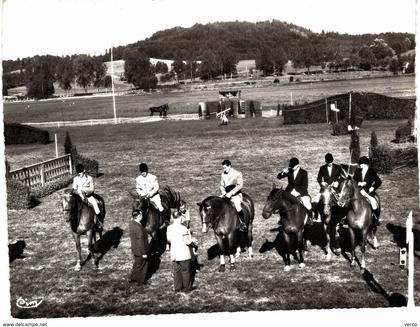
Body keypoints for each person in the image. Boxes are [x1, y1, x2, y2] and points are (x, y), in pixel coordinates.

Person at [166, 213, 198, 293]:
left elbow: (169, 239)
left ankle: (177, 287)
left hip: (174, 253)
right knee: (186, 270)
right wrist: (193, 240)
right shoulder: (183, 228)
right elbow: (187, 241)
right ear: (180, 218)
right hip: (183, 253)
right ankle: (187, 288)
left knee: (176, 271)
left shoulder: (169, 228)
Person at [277, 157, 313, 224]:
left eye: (293, 166)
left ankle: (310, 218)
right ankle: (282, 219)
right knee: (282, 203)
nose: (292, 168)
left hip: (301, 193)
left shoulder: (304, 173)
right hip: (289, 192)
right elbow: (278, 177)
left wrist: (298, 193)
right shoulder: (289, 171)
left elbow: (305, 186)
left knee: (308, 205)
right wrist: (283, 172)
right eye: (291, 166)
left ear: (298, 165)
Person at [135, 163, 168, 227]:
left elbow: (156, 188)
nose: (143, 173)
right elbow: (137, 189)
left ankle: (165, 220)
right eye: (141, 172)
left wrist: (150, 194)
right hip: (143, 197)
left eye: (144, 171)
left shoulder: (153, 177)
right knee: (138, 208)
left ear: (147, 170)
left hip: (154, 197)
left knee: (160, 207)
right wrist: (142, 194)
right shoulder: (138, 179)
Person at [72, 163, 103, 228]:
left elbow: (92, 189)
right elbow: (74, 188)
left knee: (95, 204)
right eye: (78, 172)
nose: (79, 174)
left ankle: (99, 221)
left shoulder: (89, 178)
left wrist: (86, 192)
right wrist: (77, 192)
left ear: (83, 171)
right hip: (78, 196)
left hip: (88, 196)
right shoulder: (75, 179)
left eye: (80, 172)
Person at [354, 156, 382, 226]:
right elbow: (353, 181)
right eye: (359, 164)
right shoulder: (357, 170)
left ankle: (375, 218)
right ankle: (345, 218)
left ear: (365, 164)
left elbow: (378, 181)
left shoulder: (371, 171)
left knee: (373, 201)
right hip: (358, 191)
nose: (359, 165)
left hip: (368, 191)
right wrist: (359, 183)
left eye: (361, 164)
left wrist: (373, 187)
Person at [220, 159, 246, 231]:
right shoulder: (223, 175)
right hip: (226, 194)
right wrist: (224, 193)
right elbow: (221, 186)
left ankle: (242, 223)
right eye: (223, 168)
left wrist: (231, 193)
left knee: (237, 207)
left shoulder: (238, 173)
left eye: (225, 168)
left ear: (230, 166)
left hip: (235, 194)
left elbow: (240, 185)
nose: (224, 169)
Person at [129, 212, 149, 286]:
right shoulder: (138, 227)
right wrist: (144, 253)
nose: (142, 216)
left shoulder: (132, 223)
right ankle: (141, 281)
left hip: (135, 249)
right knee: (143, 265)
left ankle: (132, 277)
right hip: (140, 250)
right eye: (141, 215)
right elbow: (140, 241)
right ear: (138, 216)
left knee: (137, 264)